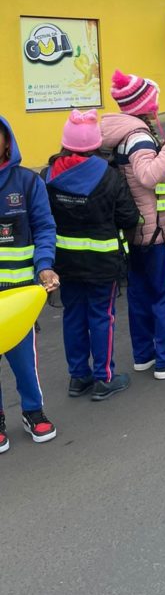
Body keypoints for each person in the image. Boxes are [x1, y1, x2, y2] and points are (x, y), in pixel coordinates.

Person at [102, 71, 165, 379]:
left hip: (135, 230)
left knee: (140, 294)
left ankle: (143, 355)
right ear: (145, 104)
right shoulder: (140, 136)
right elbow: (147, 176)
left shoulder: (120, 136)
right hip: (155, 230)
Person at [43, 109, 140, 401]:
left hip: (64, 262)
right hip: (101, 261)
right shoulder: (109, 176)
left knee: (73, 315)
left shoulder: (48, 174)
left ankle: (78, 377)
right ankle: (104, 377)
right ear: (96, 144)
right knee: (101, 316)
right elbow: (128, 217)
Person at [0, 115, 59, 451]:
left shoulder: (27, 183)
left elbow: (44, 228)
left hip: (20, 293)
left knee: (24, 359)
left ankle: (32, 411)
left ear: (7, 141)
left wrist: (45, 266)